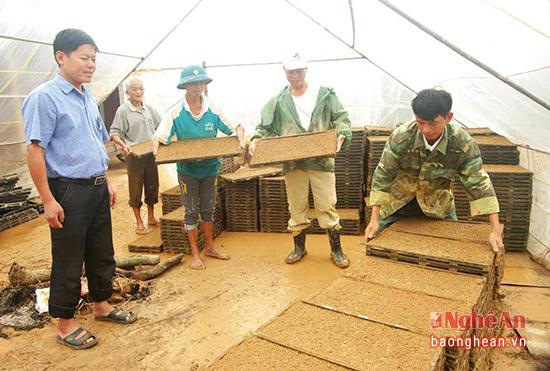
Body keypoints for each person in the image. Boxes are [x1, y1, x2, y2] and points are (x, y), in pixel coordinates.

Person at [22, 29, 137, 350]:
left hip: (96, 188)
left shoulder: (86, 95)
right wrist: (48, 199)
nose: (91, 65)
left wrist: (106, 179)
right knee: (69, 258)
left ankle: (102, 306)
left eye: (94, 59)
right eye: (85, 58)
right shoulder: (44, 98)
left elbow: (94, 142)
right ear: (62, 56)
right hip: (67, 190)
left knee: (102, 252)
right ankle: (64, 322)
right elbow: (35, 151)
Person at [364, 88, 505, 254]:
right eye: (420, 122)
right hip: (399, 204)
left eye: (432, 123)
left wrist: (495, 228)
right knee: (378, 248)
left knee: (452, 252)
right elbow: (383, 175)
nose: (425, 129)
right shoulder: (402, 137)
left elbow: (479, 183)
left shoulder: (462, 144)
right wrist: (374, 218)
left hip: (438, 205)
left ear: (448, 118)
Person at [250, 52, 352, 268]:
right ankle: (299, 247)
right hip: (293, 163)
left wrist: (343, 132)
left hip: (321, 161)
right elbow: (263, 128)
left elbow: (342, 118)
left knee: (327, 204)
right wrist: (256, 140)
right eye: (290, 71)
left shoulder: (325, 95)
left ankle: (337, 250)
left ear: (306, 70)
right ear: (285, 72)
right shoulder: (278, 102)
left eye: (298, 71)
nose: (294, 75)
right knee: (296, 206)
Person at [153, 65, 245, 270]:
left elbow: (233, 127)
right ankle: (195, 252)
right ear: (185, 86)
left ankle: (210, 247)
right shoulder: (175, 112)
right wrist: (156, 146)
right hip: (188, 172)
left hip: (210, 168)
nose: (198, 86)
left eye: (201, 82)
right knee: (191, 211)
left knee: (208, 209)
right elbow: (160, 136)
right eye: (193, 83)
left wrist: (241, 135)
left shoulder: (214, 108)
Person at [110, 78, 161, 235]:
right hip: (134, 156)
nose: (138, 92)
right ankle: (139, 222)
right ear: (127, 93)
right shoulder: (123, 111)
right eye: (134, 89)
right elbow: (114, 133)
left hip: (151, 155)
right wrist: (124, 145)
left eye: (141, 89)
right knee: (136, 188)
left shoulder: (149, 109)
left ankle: (151, 217)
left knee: (152, 186)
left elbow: (161, 127)